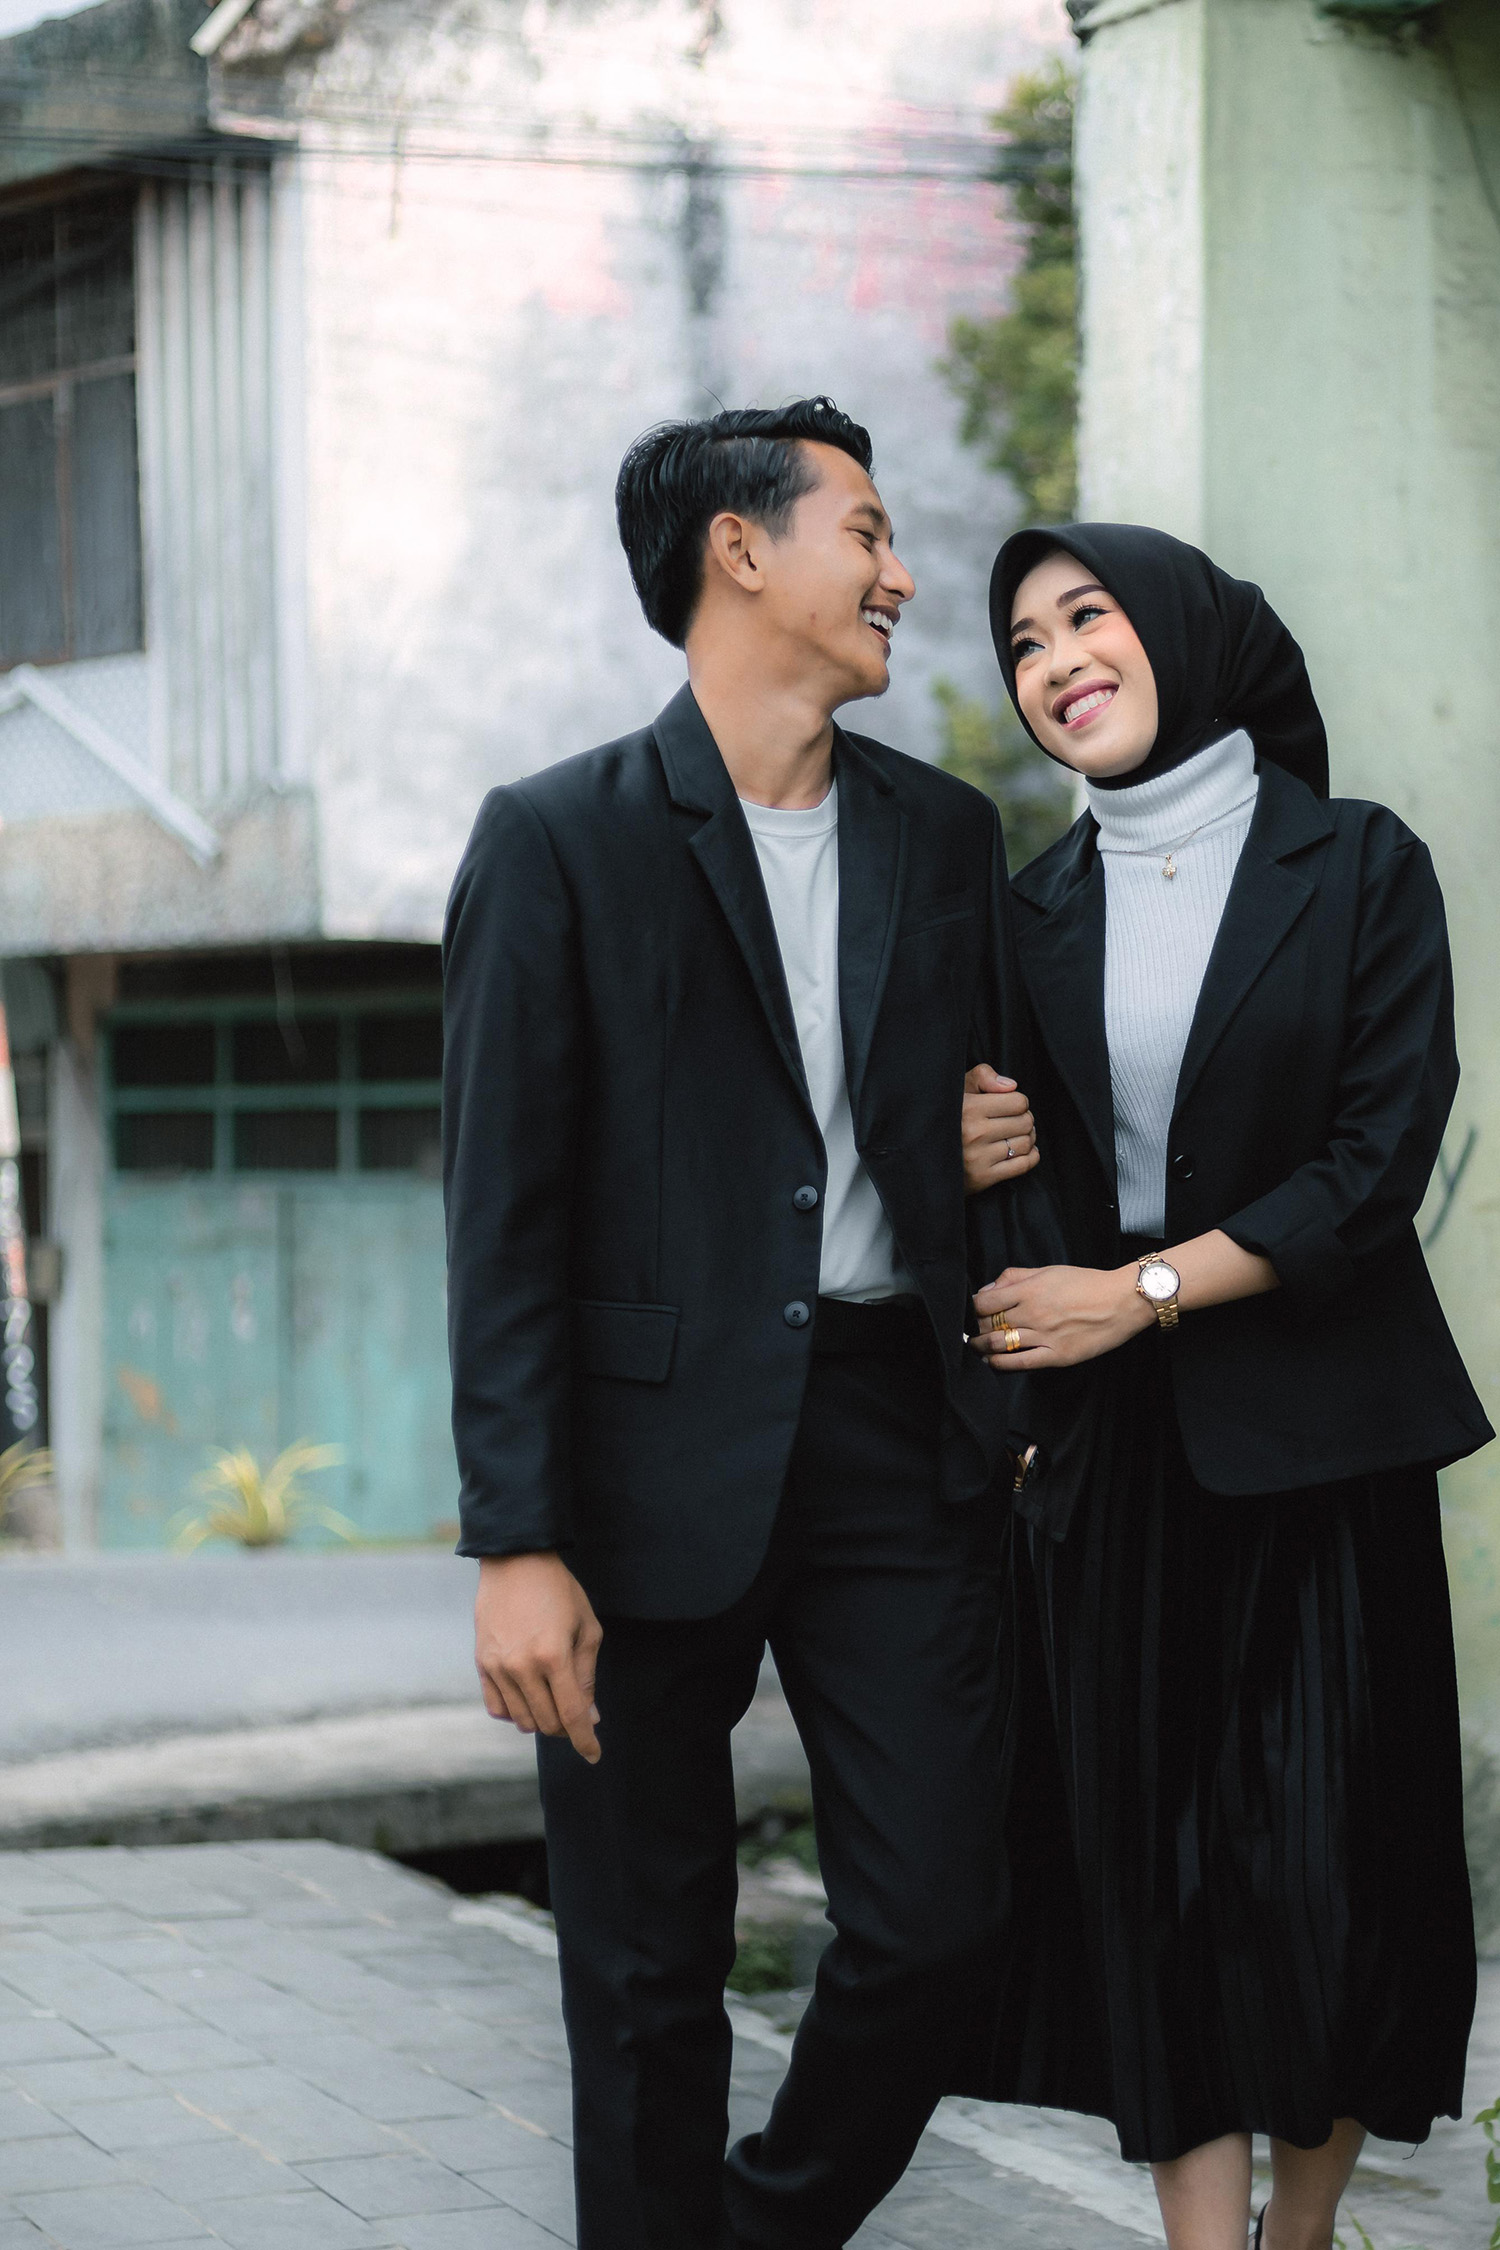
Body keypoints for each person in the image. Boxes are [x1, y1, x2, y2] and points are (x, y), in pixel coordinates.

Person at [441, 397, 1051, 2250]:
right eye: (865, 530)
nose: (902, 574)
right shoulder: (557, 840)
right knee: (644, 1974)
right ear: (740, 549)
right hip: (637, 1463)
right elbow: (500, 1211)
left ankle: (760, 2230)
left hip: (891, 1433)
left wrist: (974, 1153)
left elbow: (973, 1122)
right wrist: (516, 1540)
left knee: (945, 1916)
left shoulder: (944, 834)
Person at [956, 522, 1492, 2250]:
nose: (1055, 662)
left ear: (1183, 630)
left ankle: (1301, 2233)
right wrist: (974, 1159)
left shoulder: (1358, 865)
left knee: (1336, 1873)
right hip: (1117, 1466)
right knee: (1155, 1878)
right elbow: (1014, 1196)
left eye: (1085, 616)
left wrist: (1144, 1289)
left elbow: (1374, 1161)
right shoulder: (1027, 913)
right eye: (1023, 643)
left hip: (1328, 1436)